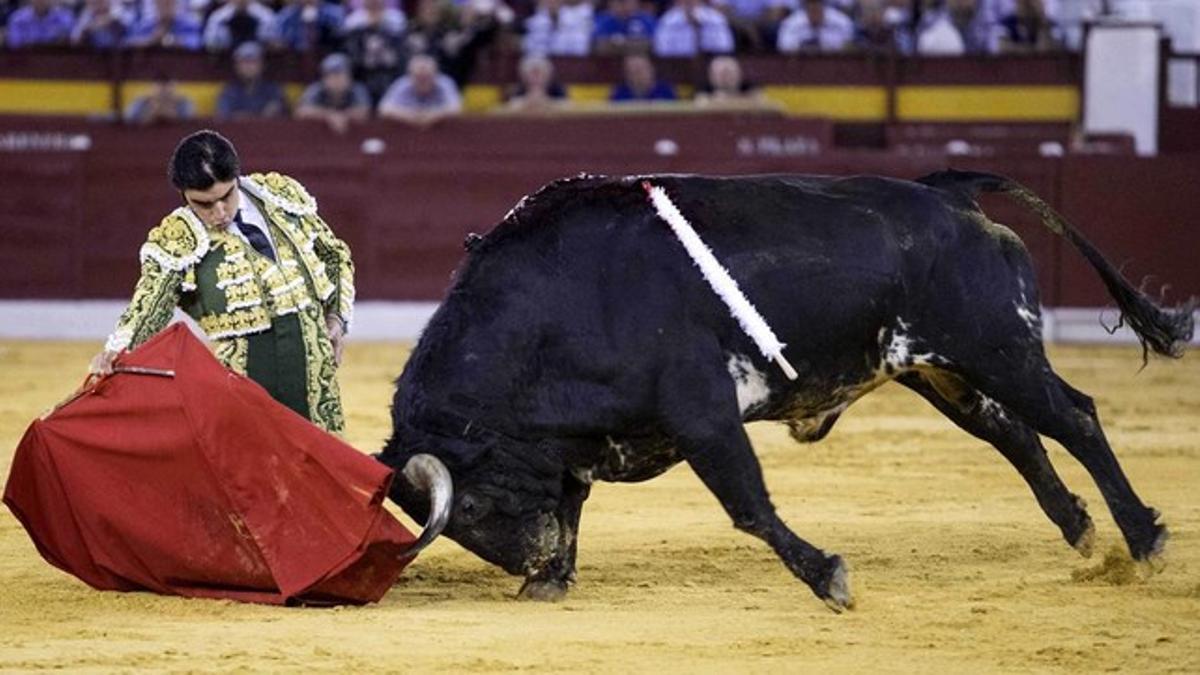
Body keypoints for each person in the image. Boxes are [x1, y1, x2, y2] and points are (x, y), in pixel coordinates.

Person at [91, 130, 355, 434]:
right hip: (246, 382)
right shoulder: (178, 238)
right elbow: (149, 306)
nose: (219, 213)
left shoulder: (280, 198)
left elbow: (334, 256)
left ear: (237, 177)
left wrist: (336, 317)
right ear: (183, 195)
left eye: (226, 197)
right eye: (203, 204)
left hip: (316, 370)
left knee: (323, 467)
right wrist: (116, 349)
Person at [295, 52, 372, 134]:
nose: (336, 80)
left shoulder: (357, 89)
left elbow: (364, 111)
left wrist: (343, 116)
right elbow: (301, 111)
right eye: (331, 76)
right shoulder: (316, 89)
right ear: (324, 78)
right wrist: (330, 115)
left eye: (340, 75)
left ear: (349, 76)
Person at [377, 53, 462, 127]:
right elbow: (384, 109)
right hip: (407, 129)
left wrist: (434, 116)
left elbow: (456, 108)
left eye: (427, 77)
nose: (423, 81)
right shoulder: (402, 84)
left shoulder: (445, 83)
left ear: (436, 74)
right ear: (410, 76)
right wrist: (411, 117)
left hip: (440, 130)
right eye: (418, 78)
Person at [215, 41, 289, 120]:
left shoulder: (273, 90)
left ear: (262, 64)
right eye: (244, 62)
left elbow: (284, 115)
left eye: (253, 61)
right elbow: (223, 116)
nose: (248, 67)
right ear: (236, 66)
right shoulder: (229, 91)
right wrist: (259, 115)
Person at [652, 0, 734, 58]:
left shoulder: (716, 19)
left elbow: (725, 48)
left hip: (711, 65)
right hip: (677, 67)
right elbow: (661, 52)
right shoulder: (668, 21)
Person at [776, 0, 854, 53]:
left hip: (834, 65)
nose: (814, 11)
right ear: (806, 8)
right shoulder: (791, 24)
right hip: (801, 66)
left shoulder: (841, 22)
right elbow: (784, 48)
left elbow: (850, 48)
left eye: (817, 7)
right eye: (811, 9)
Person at [522, 0, 593, 56]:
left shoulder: (576, 19)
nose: (552, 2)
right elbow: (529, 48)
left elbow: (580, 49)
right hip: (543, 63)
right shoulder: (533, 22)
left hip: (570, 62)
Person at [203, 0, 278, 52]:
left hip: (258, 57)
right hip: (227, 59)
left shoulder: (266, 16)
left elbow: (274, 43)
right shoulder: (218, 17)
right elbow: (209, 44)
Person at [125, 0, 203, 49]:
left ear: (176, 3)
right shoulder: (144, 26)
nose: (165, 5)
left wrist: (177, 42)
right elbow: (127, 43)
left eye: (169, 2)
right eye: (161, 2)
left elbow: (200, 43)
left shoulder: (190, 26)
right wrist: (151, 40)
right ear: (155, 3)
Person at [274, 0, 346, 52]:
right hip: (296, 57)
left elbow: (340, 36)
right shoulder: (287, 16)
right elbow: (278, 40)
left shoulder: (335, 13)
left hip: (326, 54)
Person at [124, 75, 196, 125]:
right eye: (160, 87)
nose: (163, 92)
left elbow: (189, 121)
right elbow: (128, 119)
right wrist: (150, 113)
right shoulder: (141, 101)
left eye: (166, 87)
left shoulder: (183, 102)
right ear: (152, 88)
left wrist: (172, 114)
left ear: (173, 88)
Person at [5, 0, 74, 48]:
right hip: (26, 63)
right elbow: (14, 46)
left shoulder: (65, 18)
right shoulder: (17, 19)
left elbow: (70, 44)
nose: (41, 1)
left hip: (57, 63)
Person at [610, 53, 676, 102]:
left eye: (640, 70)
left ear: (651, 69)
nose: (638, 77)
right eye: (632, 72)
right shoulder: (619, 94)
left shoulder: (665, 91)